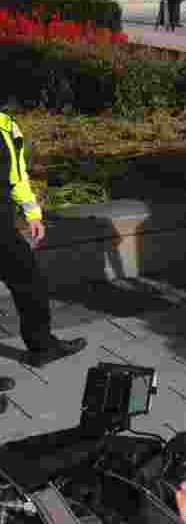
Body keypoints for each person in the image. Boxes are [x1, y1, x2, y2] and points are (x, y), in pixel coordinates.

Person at [0, 113, 87, 369]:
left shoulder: (6, 125)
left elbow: (16, 175)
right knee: (28, 279)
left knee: (29, 281)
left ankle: (43, 346)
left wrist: (32, 213)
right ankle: (43, 346)